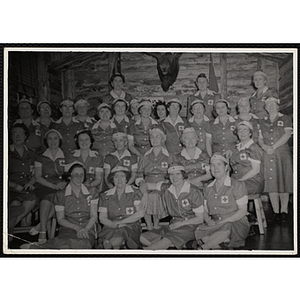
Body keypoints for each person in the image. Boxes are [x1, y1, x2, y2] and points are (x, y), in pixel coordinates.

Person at [22, 162, 99, 249]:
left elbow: (93, 216)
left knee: (82, 244)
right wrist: (76, 228)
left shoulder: (92, 191)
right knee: (65, 243)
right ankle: (39, 248)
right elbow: (60, 219)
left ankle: (39, 248)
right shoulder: (61, 194)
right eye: (76, 174)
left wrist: (85, 229)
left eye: (82, 174)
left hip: (87, 229)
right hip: (68, 228)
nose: (79, 177)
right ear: (69, 176)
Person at [139, 163, 204, 250]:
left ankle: (149, 251)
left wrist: (181, 223)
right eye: (171, 174)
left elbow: (200, 219)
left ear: (183, 175)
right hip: (173, 224)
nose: (174, 177)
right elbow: (144, 185)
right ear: (168, 177)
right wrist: (145, 194)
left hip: (191, 225)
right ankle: (162, 247)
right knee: (142, 238)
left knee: (165, 241)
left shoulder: (193, 191)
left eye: (178, 174)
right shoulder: (167, 188)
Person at [194, 153, 250, 250]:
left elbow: (242, 211)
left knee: (226, 227)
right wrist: (209, 220)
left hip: (235, 222)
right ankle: (218, 247)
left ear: (226, 167)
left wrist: (222, 222)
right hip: (215, 224)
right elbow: (205, 210)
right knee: (200, 230)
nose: (215, 168)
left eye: (219, 164)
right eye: (213, 165)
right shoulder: (208, 188)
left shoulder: (237, 185)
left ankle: (204, 248)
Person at [258, 97, 293, 223]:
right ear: (266, 107)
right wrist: (264, 147)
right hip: (268, 154)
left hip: (282, 154)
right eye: (268, 105)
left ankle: (284, 210)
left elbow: (287, 134)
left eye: (273, 104)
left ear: (278, 106)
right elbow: (260, 138)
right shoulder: (262, 121)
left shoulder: (285, 118)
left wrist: (273, 146)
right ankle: (275, 211)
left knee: (284, 181)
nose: (271, 106)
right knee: (271, 182)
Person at [29, 129, 67, 243]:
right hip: (44, 184)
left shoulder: (66, 155)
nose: (53, 141)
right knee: (47, 198)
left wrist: (64, 183)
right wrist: (52, 185)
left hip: (61, 185)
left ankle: (41, 225)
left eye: (55, 138)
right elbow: (38, 176)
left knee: (60, 197)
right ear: (46, 141)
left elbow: (69, 174)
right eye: (50, 138)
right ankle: (42, 232)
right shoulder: (40, 156)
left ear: (59, 140)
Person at [98, 166, 147, 249]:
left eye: (122, 176)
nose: (119, 179)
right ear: (112, 180)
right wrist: (112, 224)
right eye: (116, 177)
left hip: (131, 226)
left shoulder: (135, 192)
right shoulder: (105, 195)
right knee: (111, 237)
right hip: (111, 226)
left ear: (126, 179)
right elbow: (102, 218)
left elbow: (140, 213)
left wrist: (121, 222)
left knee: (120, 234)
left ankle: (109, 245)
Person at [135, 127, 174, 230]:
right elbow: (139, 175)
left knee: (155, 195)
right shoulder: (145, 156)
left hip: (163, 185)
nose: (155, 139)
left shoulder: (169, 156)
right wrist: (142, 183)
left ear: (163, 139)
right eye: (152, 137)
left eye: (158, 137)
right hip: (146, 184)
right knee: (140, 195)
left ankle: (156, 224)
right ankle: (149, 225)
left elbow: (174, 175)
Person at [8, 123, 37, 238]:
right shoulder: (6, 151)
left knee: (31, 199)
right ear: (10, 136)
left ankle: (8, 227)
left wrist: (31, 183)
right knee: (14, 203)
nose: (18, 136)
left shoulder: (31, 153)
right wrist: (14, 186)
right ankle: (9, 230)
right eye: (14, 133)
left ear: (26, 136)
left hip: (26, 187)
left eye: (21, 133)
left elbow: (37, 173)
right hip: (9, 187)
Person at [230, 121, 264, 195]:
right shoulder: (237, 148)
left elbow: (256, 170)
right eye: (240, 130)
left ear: (250, 133)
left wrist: (240, 180)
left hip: (252, 181)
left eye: (245, 130)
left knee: (230, 191)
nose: (242, 132)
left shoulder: (253, 148)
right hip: (237, 180)